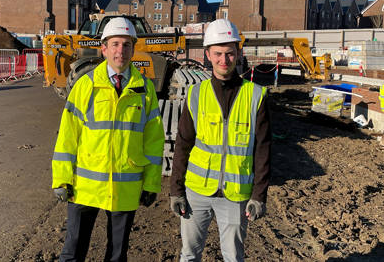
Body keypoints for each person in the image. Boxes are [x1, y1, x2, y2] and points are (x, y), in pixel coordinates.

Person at [52, 16, 165, 262]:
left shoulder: (145, 90)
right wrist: (62, 179)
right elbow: (68, 136)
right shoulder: (85, 86)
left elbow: (154, 140)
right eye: (114, 44)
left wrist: (151, 183)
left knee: (116, 255)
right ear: (103, 49)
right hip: (86, 187)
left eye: (126, 45)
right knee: (72, 252)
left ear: (133, 49)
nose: (120, 51)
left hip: (125, 186)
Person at [169, 19, 272, 262]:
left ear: (238, 53)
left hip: (235, 195)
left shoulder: (255, 95)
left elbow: (263, 149)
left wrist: (259, 195)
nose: (223, 60)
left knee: (233, 257)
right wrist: (176, 190)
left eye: (229, 53)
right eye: (217, 53)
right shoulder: (196, 94)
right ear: (207, 54)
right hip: (197, 193)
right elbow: (183, 143)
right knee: (189, 254)